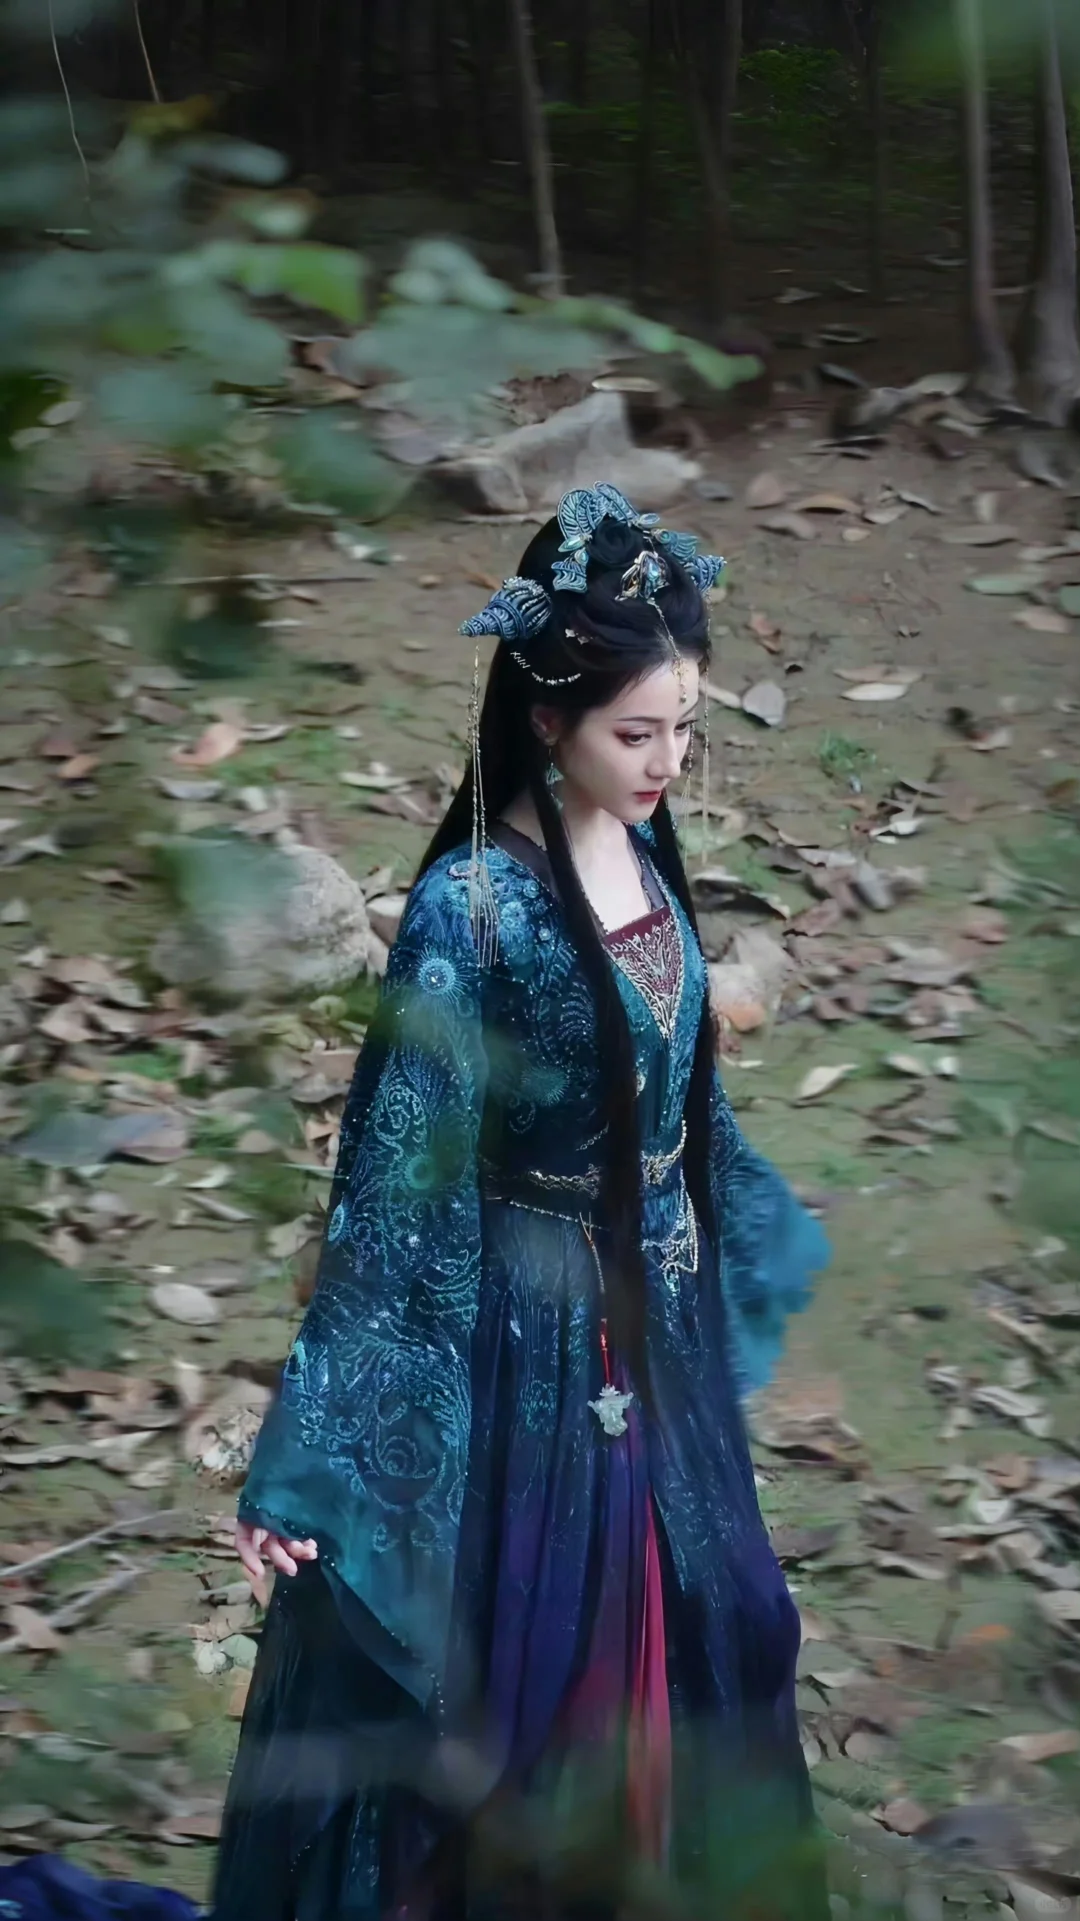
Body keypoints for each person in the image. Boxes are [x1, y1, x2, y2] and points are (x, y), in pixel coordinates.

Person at [0, 485, 829, 1921]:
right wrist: (314, 1456)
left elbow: (668, 1084)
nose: (668, 764)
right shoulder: (471, 912)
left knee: (718, 1624)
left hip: (652, 1329)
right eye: (638, 734)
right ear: (547, 717)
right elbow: (394, 1185)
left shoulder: (640, 852)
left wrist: (711, 1232)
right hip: (524, 1346)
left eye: (684, 729)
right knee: (527, 1691)